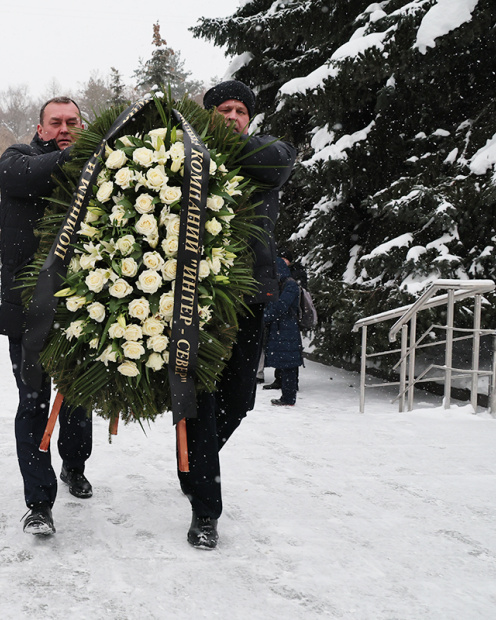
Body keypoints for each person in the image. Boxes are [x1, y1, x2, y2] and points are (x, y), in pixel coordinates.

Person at [177, 80, 297, 549]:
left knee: (240, 401)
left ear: (250, 117)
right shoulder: (185, 157)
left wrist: (216, 152)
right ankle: (206, 511)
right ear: (208, 115)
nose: (232, 116)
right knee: (204, 402)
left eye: (239, 110)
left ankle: (193, 460)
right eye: (222, 109)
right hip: (201, 298)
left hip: (251, 297)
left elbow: (278, 161)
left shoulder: (266, 152)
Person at [0, 96, 94, 536]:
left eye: (72, 122)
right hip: (28, 308)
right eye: (55, 123)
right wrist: (80, 154)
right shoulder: (18, 160)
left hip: (86, 306)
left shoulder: (100, 168)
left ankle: (75, 464)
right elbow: (28, 176)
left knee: (78, 397)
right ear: (40, 128)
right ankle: (39, 502)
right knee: (33, 403)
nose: (64, 128)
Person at [264, 258, 303, 406]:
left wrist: (266, 316)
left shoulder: (290, 285)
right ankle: (287, 396)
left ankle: (288, 397)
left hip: (287, 329)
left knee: (289, 365)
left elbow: (280, 306)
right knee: (286, 364)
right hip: (283, 329)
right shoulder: (282, 285)